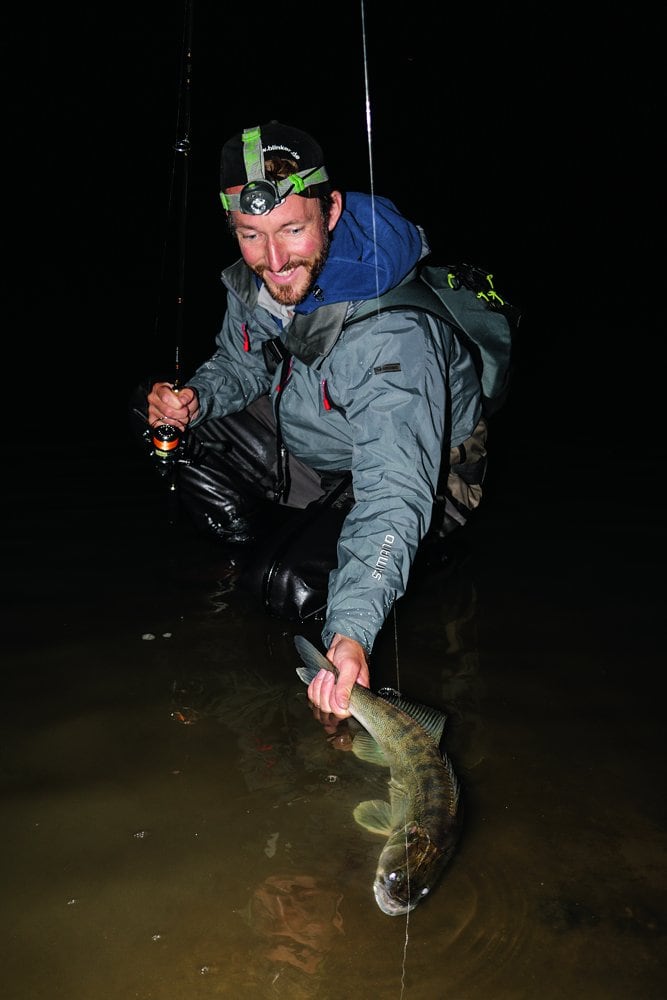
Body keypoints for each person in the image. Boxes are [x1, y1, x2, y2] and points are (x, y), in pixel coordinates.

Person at [136, 121, 487, 720]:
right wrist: (193, 398)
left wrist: (352, 630)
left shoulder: (393, 334)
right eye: (251, 234)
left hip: (419, 483)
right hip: (313, 446)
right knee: (164, 424)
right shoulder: (261, 276)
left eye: (292, 230)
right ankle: (277, 545)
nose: (273, 260)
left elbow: (395, 489)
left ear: (330, 209)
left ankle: (370, 578)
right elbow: (239, 365)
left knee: (286, 586)